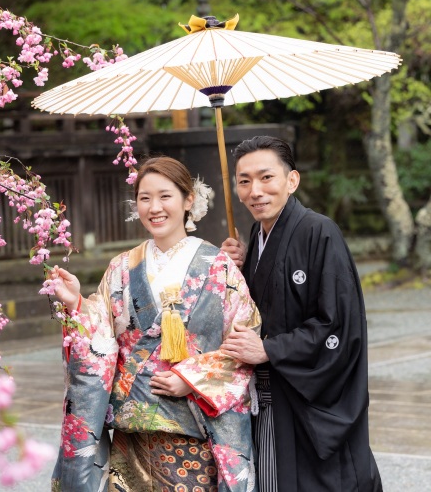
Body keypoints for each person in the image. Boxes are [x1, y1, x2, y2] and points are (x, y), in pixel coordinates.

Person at [48, 156, 261, 492]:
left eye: (165, 196)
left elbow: (246, 338)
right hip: (132, 434)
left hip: (193, 429)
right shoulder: (121, 268)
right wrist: (76, 302)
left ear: (188, 200)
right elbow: (100, 336)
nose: (154, 207)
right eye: (145, 198)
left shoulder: (219, 267)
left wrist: (191, 380)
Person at [219, 136, 382, 492]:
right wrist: (238, 271)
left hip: (306, 398)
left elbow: (336, 324)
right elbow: (259, 310)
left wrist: (269, 350)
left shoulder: (319, 231)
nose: (255, 191)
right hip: (270, 398)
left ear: (291, 181)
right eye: (244, 181)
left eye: (266, 178)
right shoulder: (256, 236)